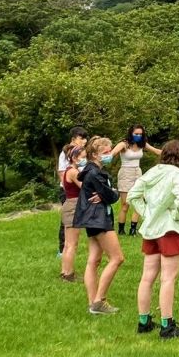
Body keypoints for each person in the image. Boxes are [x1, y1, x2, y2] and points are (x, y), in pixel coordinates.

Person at [128, 140, 179, 339]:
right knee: (168, 278)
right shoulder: (178, 175)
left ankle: (144, 320)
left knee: (147, 277)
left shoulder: (153, 171)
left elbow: (133, 195)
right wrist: (176, 214)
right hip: (171, 229)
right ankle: (167, 325)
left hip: (152, 229)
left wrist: (146, 213)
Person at [73, 136, 124, 315]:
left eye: (110, 151)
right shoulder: (95, 173)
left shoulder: (90, 171)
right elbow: (112, 196)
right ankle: (99, 301)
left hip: (92, 219)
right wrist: (112, 193)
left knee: (93, 261)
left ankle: (92, 303)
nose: (109, 155)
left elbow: (106, 194)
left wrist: (107, 194)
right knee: (117, 258)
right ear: (94, 155)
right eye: (105, 152)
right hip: (99, 219)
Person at [111, 124, 162, 236]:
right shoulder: (124, 144)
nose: (138, 136)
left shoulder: (142, 144)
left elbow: (156, 151)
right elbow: (113, 153)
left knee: (139, 202)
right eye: (136, 134)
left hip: (137, 173)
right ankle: (121, 230)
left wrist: (171, 153)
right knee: (125, 204)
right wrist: (105, 157)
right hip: (125, 173)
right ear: (131, 133)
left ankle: (133, 229)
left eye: (140, 134)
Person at [56, 126, 88, 257]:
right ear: (73, 138)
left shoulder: (81, 153)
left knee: (74, 221)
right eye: (81, 138)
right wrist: (67, 188)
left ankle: (68, 248)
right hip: (69, 191)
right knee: (67, 221)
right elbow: (61, 172)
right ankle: (62, 248)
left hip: (77, 188)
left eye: (85, 138)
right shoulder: (67, 153)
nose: (84, 141)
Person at [59, 144, 85, 282]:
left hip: (69, 205)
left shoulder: (67, 170)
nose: (84, 160)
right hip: (74, 206)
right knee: (72, 244)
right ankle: (69, 274)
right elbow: (84, 186)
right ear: (74, 158)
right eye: (83, 157)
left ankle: (64, 271)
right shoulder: (74, 172)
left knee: (67, 243)